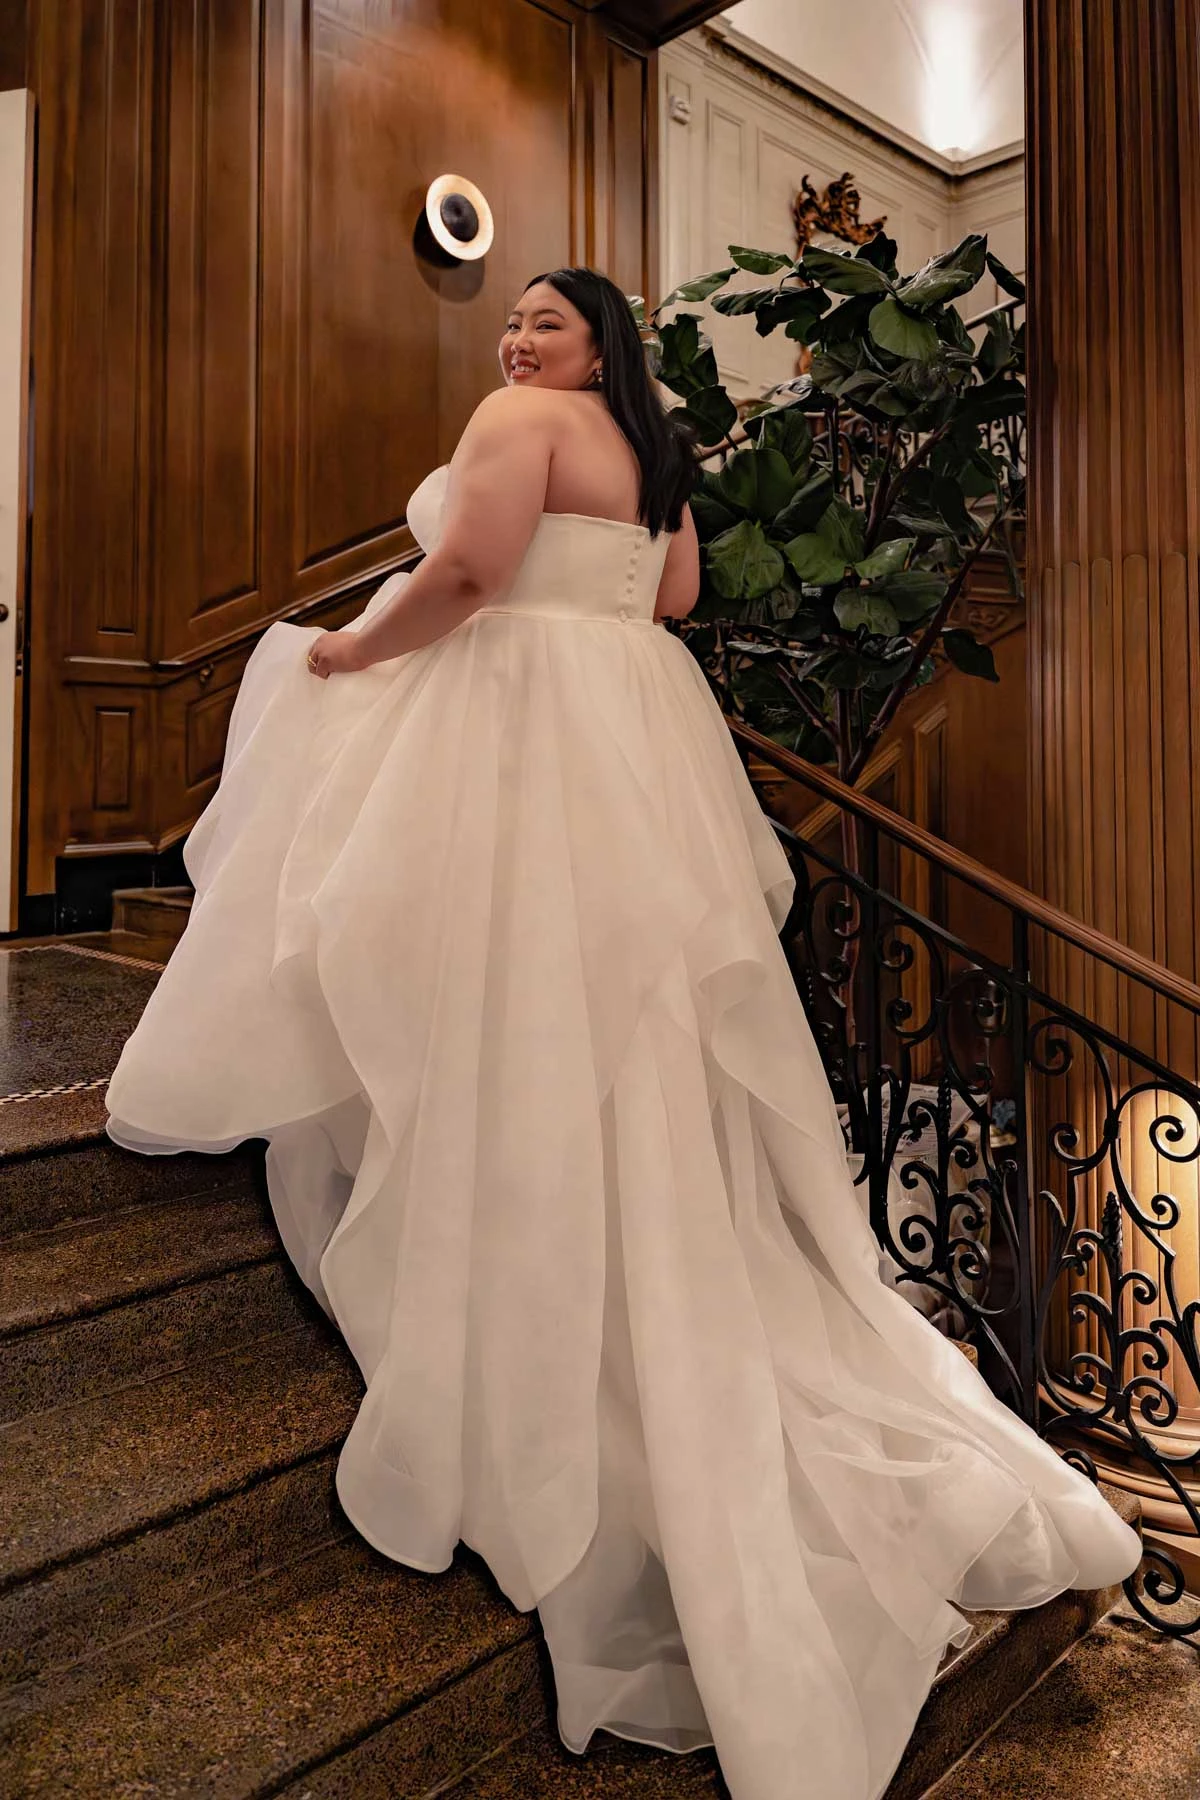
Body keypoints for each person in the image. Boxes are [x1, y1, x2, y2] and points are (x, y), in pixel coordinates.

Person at [105, 266, 1142, 1800]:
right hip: (633, 741)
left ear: (594, 344)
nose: (519, 342)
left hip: (517, 720)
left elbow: (464, 577)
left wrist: (346, 654)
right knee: (611, 1016)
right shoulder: (660, 458)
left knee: (451, 938)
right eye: (513, 323)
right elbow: (673, 603)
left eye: (546, 321)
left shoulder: (518, 418)